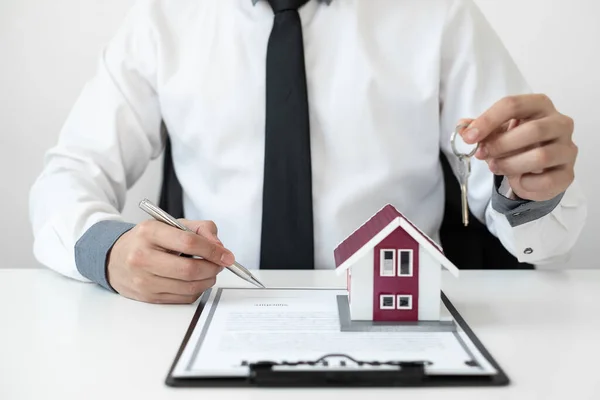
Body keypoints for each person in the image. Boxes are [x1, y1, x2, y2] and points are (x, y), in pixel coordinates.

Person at [29, 0, 587, 304]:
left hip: (395, 319)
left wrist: (532, 191)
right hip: (208, 313)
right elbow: (70, 174)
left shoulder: (439, 14)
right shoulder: (162, 19)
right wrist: (107, 250)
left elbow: (545, 236)